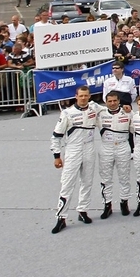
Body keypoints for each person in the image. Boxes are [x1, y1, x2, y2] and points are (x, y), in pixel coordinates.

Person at [50, 85, 101, 233]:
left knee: (87, 182)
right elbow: (56, 136)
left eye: (86, 95)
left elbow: (110, 111)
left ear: (90, 96)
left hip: (89, 148)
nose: (84, 98)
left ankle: (83, 210)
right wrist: (57, 156)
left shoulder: (94, 109)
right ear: (76, 96)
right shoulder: (67, 113)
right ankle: (61, 217)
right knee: (67, 184)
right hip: (73, 150)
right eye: (81, 96)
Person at [96, 92, 133, 219]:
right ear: (105, 102)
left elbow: (138, 125)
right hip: (106, 147)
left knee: (124, 177)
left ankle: (124, 203)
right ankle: (107, 205)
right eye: (110, 101)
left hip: (123, 146)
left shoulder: (127, 112)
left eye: (115, 101)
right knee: (105, 179)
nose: (112, 103)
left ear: (119, 101)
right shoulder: (100, 113)